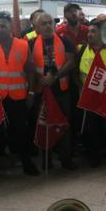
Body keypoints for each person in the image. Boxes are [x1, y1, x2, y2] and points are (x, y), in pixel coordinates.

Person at [0, 12, 39, 179]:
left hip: (18, 97)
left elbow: (30, 70)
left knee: (21, 132)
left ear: (10, 28)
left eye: (3, 26)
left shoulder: (22, 44)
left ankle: (27, 163)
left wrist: (32, 92)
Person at [75, 20, 106, 168]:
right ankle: (93, 156)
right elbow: (75, 73)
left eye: (93, 31)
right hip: (89, 96)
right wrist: (81, 89)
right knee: (90, 129)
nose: (90, 34)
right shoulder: (82, 49)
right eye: (89, 31)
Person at [29, 12, 77, 170]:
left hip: (61, 90)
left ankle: (66, 159)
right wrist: (39, 78)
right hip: (40, 90)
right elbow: (28, 66)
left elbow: (70, 63)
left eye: (50, 22)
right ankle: (46, 160)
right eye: (44, 23)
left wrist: (55, 77)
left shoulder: (65, 42)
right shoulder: (29, 44)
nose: (48, 26)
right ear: (36, 27)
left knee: (64, 125)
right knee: (43, 125)